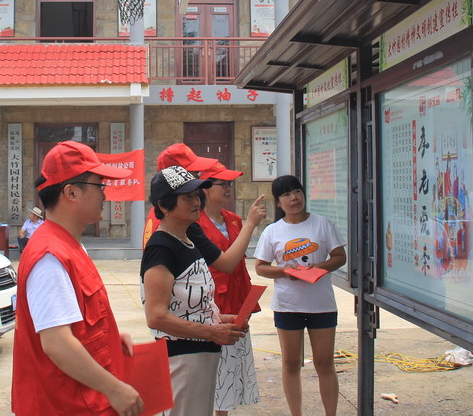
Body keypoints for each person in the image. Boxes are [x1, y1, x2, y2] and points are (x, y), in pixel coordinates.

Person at [11, 141, 143, 416]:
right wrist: (114, 389)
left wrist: (108, 336)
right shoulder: (50, 256)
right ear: (71, 192)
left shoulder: (70, 246)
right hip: (63, 405)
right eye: (99, 186)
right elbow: (57, 343)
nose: (105, 195)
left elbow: (77, 321)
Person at [141, 166, 248, 416]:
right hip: (182, 360)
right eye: (186, 197)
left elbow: (186, 306)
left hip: (200, 357)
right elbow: (156, 316)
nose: (195, 202)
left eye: (196, 195)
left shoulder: (186, 241)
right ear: (164, 206)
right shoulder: (162, 248)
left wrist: (221, 321)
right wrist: (212, 331)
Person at [253, 175, 347, 416]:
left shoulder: (323, 224)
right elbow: (261, 267)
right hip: (288, 306)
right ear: (278, 202)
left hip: (321, 305)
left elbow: (339, 257)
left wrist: (318, 269)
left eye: (297, 192)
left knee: (324, 363)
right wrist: (284, 271)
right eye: (286, 194)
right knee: (291, 363)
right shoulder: (273, 231)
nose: (294, 198)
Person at [198, 161, 264, 415]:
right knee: (211, 373)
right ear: (205, 188)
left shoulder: (234, 220)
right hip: (212, 307)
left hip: (237, 305)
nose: (228, 188)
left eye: (230, 183)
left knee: (230, 373)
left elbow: (240, 266)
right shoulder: (196, 224)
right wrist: (251, 225)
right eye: (222, 183)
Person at [141, 143, 258, 276]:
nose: (199, 177)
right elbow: (226, 264)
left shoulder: (163, 214)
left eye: (195, 195)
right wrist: (250, 224)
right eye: (195, 174)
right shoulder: (180, 222)